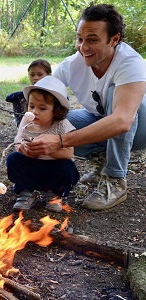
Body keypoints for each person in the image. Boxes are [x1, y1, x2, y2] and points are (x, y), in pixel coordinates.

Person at [27, 4, 146, 211]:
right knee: (59, 121)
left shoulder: (130, 63)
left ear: (114, 39)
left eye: (92, 40)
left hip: (139, 127)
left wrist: (60, 140)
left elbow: (123, 120)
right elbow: (42, 98)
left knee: (114, 97)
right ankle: (101, 160)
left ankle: (115, 178)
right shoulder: (72, 64)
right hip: (105, 120)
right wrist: (29, 122)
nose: (83, 47)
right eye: (80, 39)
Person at [6, 76, 79, 212]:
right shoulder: (27, 121)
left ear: (56, 110)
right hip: (32, 165)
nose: (35, 112)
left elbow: (69, 153)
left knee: (66, 167)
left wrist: (45, 149)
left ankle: (55, 195)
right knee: (13, 159)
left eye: (42, 108)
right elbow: (18, 140)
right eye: (31, 106)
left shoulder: (62, 125)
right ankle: (26, 192)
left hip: (54, 168)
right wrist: (22, 147)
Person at [6, 59, 52, 126]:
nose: (35, 78)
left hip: (49, 124)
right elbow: (8, 98)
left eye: (40, 75)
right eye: (32, 75)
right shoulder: (28, 92)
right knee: (18, 99)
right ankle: (21, 126)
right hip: (30, 121)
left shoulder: (54, 93)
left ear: (49, 76)